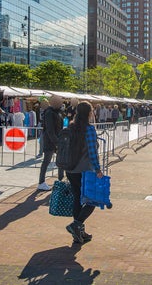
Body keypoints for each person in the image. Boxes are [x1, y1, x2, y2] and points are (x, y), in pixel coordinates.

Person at [65, 101, 103, 244]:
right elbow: (92, 152)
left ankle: (78, 233)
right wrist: (98, 169)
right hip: (85, 169)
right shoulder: (89, 129)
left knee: (77, 199)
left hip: (71, 168)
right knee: (92, 200)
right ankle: (76, 225)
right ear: (89, 113)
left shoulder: (71, 126)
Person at [38, 94, 65, 190]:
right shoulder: (49, 112)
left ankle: (61, 180)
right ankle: (41, 182)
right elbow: (50, 129)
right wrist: (56, 143)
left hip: (57, 139)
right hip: (50, 141)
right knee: (46, 161)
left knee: (61, 161)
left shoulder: (58, 112)